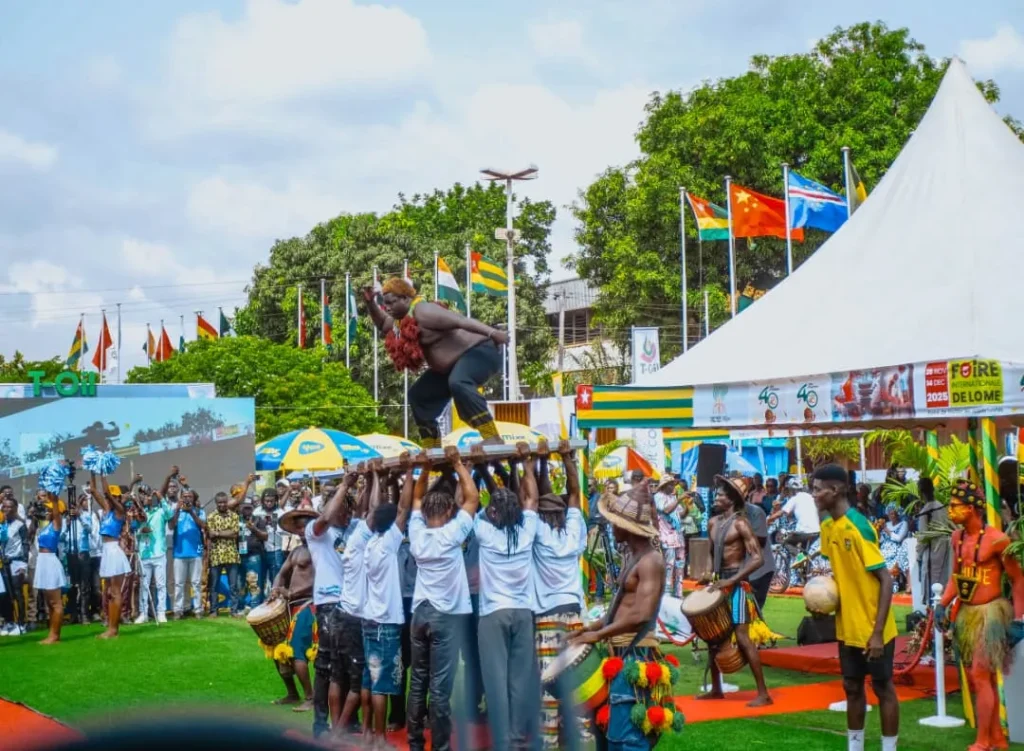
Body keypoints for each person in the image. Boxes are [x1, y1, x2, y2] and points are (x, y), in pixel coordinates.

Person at [570, 481, 679, 750]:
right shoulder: (634, 555)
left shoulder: (651, 560)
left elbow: (641, 614)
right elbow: (619, 609)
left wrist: (597, 634)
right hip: (619, 653)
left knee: (628, 738)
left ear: (627, 527)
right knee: (608, 735)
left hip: (636, 654)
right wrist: (589, 630)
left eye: (614, 522)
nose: (610, 527)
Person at [811, 464, 898, 751]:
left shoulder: (859, 526)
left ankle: (889, 748)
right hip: (847, 625)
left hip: (875, 626)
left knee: (883, 688)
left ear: (835, 490)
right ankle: (855, 747)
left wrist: (876, 633)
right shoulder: (828, 526)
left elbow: (886, 581)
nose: (813, 494)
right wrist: (823, 603)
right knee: (851, 687)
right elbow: (839, 577)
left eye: (817, 489)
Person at [364, 278, 508, 448]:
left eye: (391, 303)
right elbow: (382, 324)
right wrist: (370, 303)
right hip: (450, 367)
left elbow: (461, 321)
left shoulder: (424, 311)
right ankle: (432, 445)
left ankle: (492, 437)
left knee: (459, 382)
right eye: (385, 304)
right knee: (418, 395)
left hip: (482, 351)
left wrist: (493, 333)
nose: (387, 308)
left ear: (405, 298)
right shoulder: (401, 321)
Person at [936, 479, 1024, 751]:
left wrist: (1020, 617)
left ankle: (983, 741)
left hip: (992, 615)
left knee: (980, 675)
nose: (950, 511)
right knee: (981, 677)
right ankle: (996, 737)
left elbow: (1018, 580)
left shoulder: (998, 539)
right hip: (967, 614)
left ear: (972, 508)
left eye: (955, 506)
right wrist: (942, 604)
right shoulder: (956, 538)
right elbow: (956, 577)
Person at [407, 446, 481, 751]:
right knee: (440, 688)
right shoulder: (453, 534)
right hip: (445, 617)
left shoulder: (417, 532)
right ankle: (439, 747)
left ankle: (414, 744)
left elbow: (416, 498)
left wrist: (425, 469)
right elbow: (474, 498)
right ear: (450, 512)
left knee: (418, 683)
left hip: (420, 614)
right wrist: (457, 464)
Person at [474, 442, 541, 750]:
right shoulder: (527, 531)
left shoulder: (485, 532)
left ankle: (502, 741)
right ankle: (515, 737)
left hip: (493, 614)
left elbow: (473, 502)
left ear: (493, 512)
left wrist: (478, 469)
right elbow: (531, 497)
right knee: (518, 679)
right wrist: (526, 463)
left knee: (495, 680)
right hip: (522, 612)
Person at [532, 441, 587, 750]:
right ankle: (580, 734)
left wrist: (537, 463)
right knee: (575, 677)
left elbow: (533, 497)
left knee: (547, 681)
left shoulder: (538, 533)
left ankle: (549, 739)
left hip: (547, 616)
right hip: (575, 613)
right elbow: (575, 493)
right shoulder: (573, 530)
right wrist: (566, 459)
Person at [700, 476, 772, 707]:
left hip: (738, 585)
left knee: (742, 637)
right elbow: (711, 554)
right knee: (712, 636)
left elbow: (758, 559)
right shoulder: (712, 523)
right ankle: (716, 689)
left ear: (731, 499)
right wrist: (709, 574)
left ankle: (763, 693)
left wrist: (732, 580)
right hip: (721, 582)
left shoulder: (741, 524)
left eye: (721, 494)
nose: (717, 497)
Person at [362, 459, 414, 749]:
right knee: (383, 683)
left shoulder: (370, 541)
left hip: (370, 621)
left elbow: (373, 510)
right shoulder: (388, 544)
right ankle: (381, 739)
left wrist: (377, 480)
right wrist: (408, 472)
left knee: (369, 681)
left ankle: (370, 733)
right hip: (385, 624)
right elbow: (404, 509)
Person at [306, 470, 359, 738]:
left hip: (352, 603)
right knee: (325, 666)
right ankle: (319, 725)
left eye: (349, 509)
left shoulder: (353, 528)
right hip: (328, 602)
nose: (346, 514)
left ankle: (349, 722)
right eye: (342, 508)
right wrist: (345, 485)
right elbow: (326, 517)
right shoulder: (316, 530)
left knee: (349, 663)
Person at [270, 508, 320, 713]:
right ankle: (292, 694)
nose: (301, 530)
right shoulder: (296, 551)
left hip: (309, 606)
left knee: (296, 651)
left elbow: (319, 581)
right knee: (277, 651)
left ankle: (311, 697)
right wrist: (275, 589)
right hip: (291, 605)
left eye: (305, 525)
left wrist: (289, 592)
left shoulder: (320, 549)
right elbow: (281, 573)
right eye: (298, 526)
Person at [88, 471, 130, 639]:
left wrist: (103, 473)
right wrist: (93, 471)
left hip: (114, 551)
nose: (108, 498)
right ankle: (111, 628)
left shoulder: (120, 510)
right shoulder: (106, 510)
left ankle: (114, 630)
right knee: (110, 593)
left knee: (116, 592)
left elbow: (105, 492)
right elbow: (93, 490)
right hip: (106, 551)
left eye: (112, 496)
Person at [134, 485, 173, 624]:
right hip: (145, 553)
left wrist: (161, 498)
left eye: (147, 495)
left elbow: (171, 514)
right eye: (143, 496)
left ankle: (161, 612)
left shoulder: (160, 511)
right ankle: (143, 613)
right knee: (144, 585)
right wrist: (140, 531)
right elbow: (134, 531)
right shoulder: (139, 513)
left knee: (161, 585)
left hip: (159, 553)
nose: (145, 498)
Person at [30, 491, 65, 644]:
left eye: (49, 510)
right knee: (49, 602)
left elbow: (56, 512)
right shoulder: (43, 526)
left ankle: (55, 635)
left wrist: (54, 499)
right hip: (42, 562)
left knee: (56, 603)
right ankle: (52, 633)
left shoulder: (56, 524)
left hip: (50, 562)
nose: (47, 512)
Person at [171, 485, 206, 619]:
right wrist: (178, 511)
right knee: (179, 583)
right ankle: (178, 610)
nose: (186, 499)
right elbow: (170, 526)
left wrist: (191, 511)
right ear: (181, 498)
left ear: (193, 498)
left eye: (189, 497)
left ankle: (198, 609)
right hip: (179, 552)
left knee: (196, 583)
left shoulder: (198, 510)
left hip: (196, 551)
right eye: (184, 496)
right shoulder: (176, 511)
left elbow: (203, 526)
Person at [914, 477, 951, 599]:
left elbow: (923, 538)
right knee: (943, 579)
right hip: (945, 549)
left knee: (932, 583)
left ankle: (933, 612)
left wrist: (918, 555)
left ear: (921, 492)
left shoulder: (925, 512)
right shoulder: (942, 507)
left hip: (931, 552)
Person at [206, 491, 242, 616]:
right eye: (219, 502)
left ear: (227, 502)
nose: (222, 505)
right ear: (216, 503)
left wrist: (218, 533)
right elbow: (210, 534)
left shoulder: (234, 516)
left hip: (232, 554)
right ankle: (214, 610)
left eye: (224, 502)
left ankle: (234, 610)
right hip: (216, 555)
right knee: (214, 585)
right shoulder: (211, 516)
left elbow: (234, 534)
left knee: (234, 585)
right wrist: (225, 532)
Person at [61, 494, 94, 624]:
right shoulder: (66, 519)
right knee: (72, 586)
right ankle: (73, 614)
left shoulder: (85, 516)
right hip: (70, 554)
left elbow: (90, 530)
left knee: (84, 586)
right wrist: (68, 525)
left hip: (83, 553)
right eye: (71, 507)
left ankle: (84, 614)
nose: (73, 509)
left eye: (75, 506)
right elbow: (61, 538)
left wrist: (79, 517)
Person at [0, 497, 28, 635]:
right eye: (4, 506)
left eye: (9, 507)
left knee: (17, 593)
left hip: (17, 562)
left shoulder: (19, 525)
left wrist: (24, 564)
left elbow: (25, 544)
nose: (6, 509)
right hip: (3, 563)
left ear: (15, 509)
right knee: (6, 594)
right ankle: (9, 621)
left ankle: (22, 622)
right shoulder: (1, 524)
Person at [653, 476, 684, 598]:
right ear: (664, 485)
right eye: (670, 484)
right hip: (666, 538)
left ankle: (679, 594)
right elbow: (666, 510)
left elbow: (679, 514)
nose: (673, 487)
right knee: (669, 566)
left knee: (680, 566)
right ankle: (667, 595)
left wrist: (687, 505)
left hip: (678, 537)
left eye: (673, 484)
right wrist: (679, 499)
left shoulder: (673, 497)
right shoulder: (658, 497)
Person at [239, 497, 269, 611]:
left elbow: (265, 536)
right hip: (238, 556)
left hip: (254, 555)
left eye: (249, 507)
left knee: (254, 582)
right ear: (240, 507)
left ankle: (255, 607)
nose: (246, 510)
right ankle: (240, 608)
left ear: (252, 508)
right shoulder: (236, 519)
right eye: (244, 507)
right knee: (239, 583)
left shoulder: (258, 520)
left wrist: (254, 529)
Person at [255, 487, 285, 595]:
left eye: (271, 501)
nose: (269, 503)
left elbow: (284, 531)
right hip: (260, 550)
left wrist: (274, 525)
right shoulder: (257, 512)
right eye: (266, 501)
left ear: (276, 500)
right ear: (262, 500)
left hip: (276, 550)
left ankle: (275, 601)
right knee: (259, 579)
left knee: (275, 578)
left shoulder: (280, 512)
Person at [879, 505, 909, 592]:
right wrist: (878, 531)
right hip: (884, 549)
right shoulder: (887, 524)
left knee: (891, 567)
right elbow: (881, 540)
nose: (891, 516)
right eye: (890, 514)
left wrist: (886, 530)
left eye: (893, 514)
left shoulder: (903, 524)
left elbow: (899, 538)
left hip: (896, 550)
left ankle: (892, 585)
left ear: (898, 514)